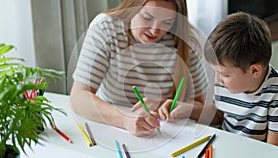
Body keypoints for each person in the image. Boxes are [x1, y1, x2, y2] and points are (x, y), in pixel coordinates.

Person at [70, 0, 207, 136]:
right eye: (147, 18)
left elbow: (201, 105)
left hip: (164, 132)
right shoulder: (106, 28)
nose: (154, 31)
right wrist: (124, 119)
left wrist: (177, 107)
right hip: (112, 127)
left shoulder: (187, 41)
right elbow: (79, 97)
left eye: (167, 22)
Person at [159, 12, 278, 149]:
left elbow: (276, 151)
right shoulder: (227, 83)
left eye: (224, 74)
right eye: (216, 72)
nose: (217, 80)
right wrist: (187, 110)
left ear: (254, 71)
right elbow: (219, 114)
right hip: (224, 147)